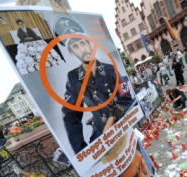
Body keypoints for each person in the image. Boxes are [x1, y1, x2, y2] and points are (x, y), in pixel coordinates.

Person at [56, 17, 137, 154]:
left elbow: (126, 99)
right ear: (71, 52)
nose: (82, 49)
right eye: (76, 47)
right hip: (100, 135)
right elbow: (71, 116)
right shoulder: (74, 77)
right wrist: (82, 151)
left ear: (90, 45)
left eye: (83, 44)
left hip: (122, 125)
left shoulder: (110, 69)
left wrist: (112, 119)